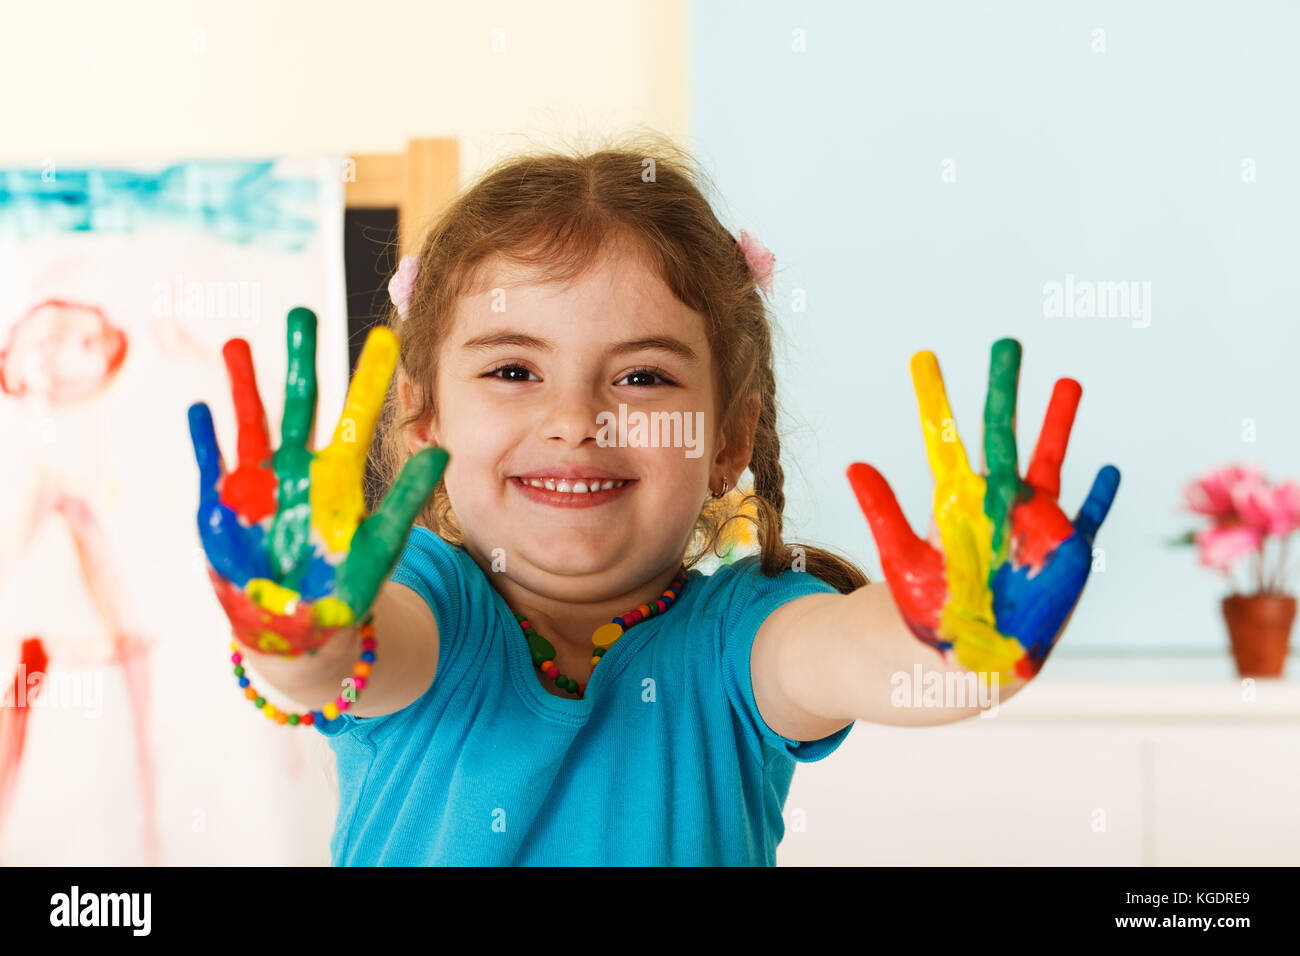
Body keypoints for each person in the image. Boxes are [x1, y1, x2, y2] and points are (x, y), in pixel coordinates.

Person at [188, 134, 1119, 866]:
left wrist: (963, 635)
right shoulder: (428, 604)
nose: (575, 420)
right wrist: (297, 626)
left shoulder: (741, 638)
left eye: (640, 378)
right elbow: (341, 659)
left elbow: (854, 657)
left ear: (729, 439)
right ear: (424, 418)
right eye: (515, 369)